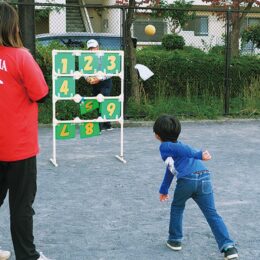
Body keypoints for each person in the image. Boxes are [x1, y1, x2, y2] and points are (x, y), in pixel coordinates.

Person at [0, 2, 50, 260]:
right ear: (12, 25)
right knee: (21, 207)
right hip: (18, 148)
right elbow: (41, 94)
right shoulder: (20, 57)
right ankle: (27, 256)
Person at [153, 115, 239, 260]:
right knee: (212, 214)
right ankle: (229, 248)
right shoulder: (177, 149)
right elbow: (170, 169)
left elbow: (182, 149)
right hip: (204, 177)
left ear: (157, 135)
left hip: (187, 180)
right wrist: (164, 189)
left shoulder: (166, 146)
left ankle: (174, 240)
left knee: (177, 207)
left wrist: (199, 154)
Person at [85, 39, 113, 131]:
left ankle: (101, 126)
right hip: (95, 83)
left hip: (105, 82)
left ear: (98, 47)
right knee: (97, 102)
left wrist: (100, 78)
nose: (92, 50)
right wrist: (88, 78)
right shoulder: (86, 58)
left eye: (94, 47)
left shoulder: (105, 56)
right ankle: (107, 124)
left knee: (103, 101)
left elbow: (111, 71)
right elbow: (84, 71)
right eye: (90, 48)